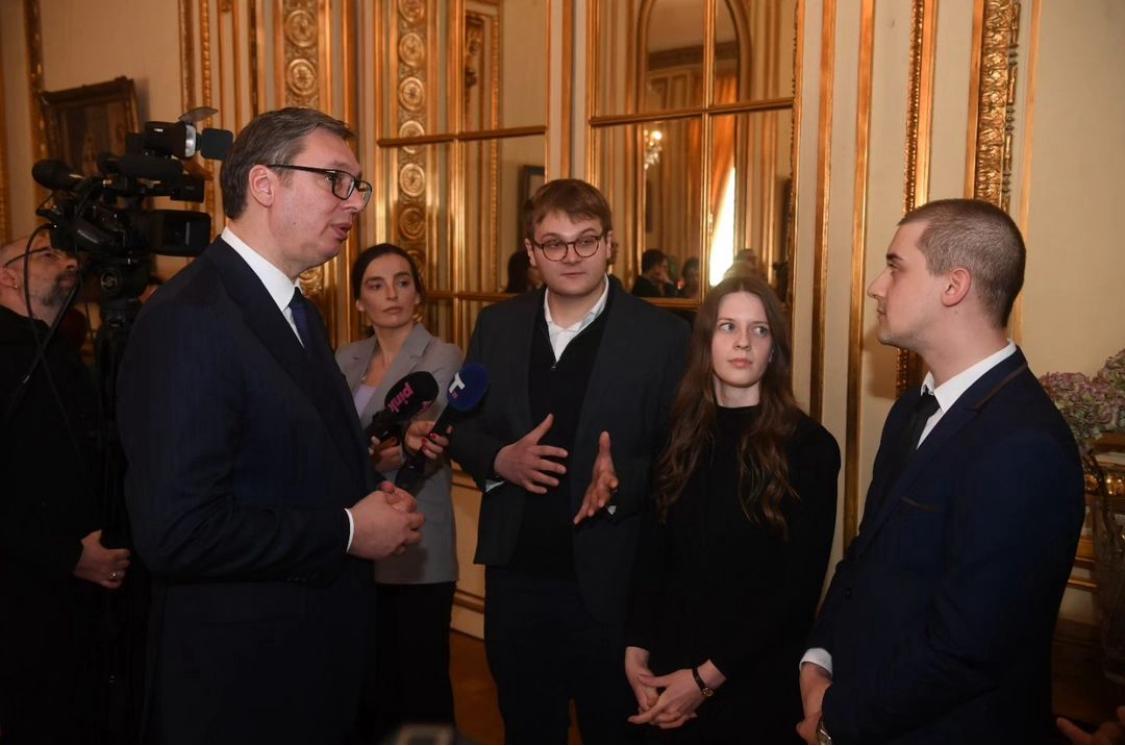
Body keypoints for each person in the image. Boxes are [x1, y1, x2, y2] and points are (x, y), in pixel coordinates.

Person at [116, 107, 424, 742]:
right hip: (243, 684)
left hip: (307, 663)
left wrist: (370, 492)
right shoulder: (191, 317)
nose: (355, 202)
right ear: (264, 184)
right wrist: (348, 529)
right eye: (336, 179)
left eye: (358, 185)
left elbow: (285, 458)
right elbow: (177, 531)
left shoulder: (296, 308)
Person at [797, 198, 1086, 743]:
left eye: (895, 267)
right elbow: (865, 557)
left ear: (953, 286)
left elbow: (967, 648)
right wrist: (819, 660)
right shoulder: (912, 409)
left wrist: (839, 720)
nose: (876, 286)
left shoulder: (1024, 443)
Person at [449, 178, 690, 743]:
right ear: (531, 253)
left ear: (610, 246)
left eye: (586, 240)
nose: (572, 256)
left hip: (614, 586)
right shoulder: (497, 326)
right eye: (554, 243)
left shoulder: (663, 336)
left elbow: (684, 458)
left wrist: (623, 483)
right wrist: (500, 459)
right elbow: (459, 428)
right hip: (517, 581)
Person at [624, 274, 839, 743]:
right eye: (728, 327)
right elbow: (652, 555)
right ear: (705, 342)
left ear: (774, 349)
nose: (743, 342)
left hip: (753, 682)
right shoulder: (676, 436)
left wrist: (704, 680)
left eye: (759, 330)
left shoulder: (810, 448)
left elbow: (795, 592)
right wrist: (636, 649)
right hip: (670, 673)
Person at [0, 232, 131, 742]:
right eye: (47, 254)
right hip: (26, 608)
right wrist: (68, 556)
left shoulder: (61, 353)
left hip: (89, 607)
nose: (70, 261)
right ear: (8, 277)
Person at [335, 243, 461, 740]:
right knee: (369, 683)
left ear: (418, 294)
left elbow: (420, 445)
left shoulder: (441, 355)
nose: (391, 294)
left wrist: (364, 457)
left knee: (421, 686)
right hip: (355, 542)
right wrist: (368, 458)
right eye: (376, 284)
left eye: (402, 282)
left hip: (416, 539)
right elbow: (334, 444)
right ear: (359, 301)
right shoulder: (345, 358)